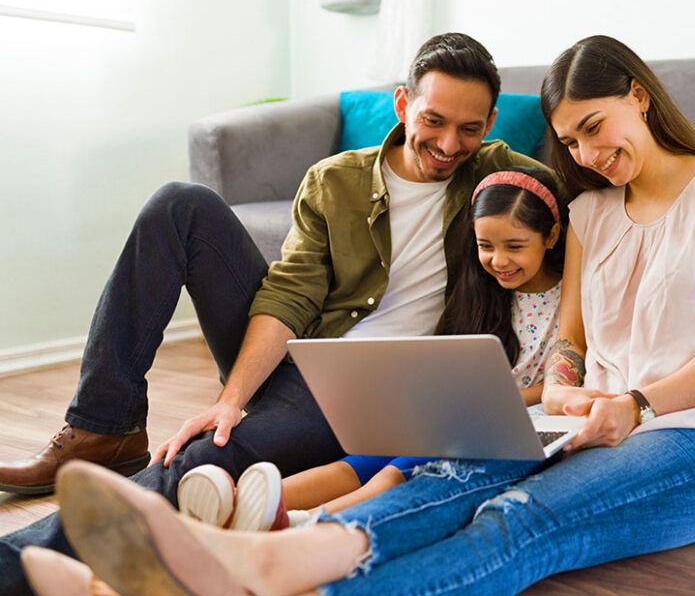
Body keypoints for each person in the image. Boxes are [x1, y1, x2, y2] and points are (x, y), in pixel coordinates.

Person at [21, 34, 695, 596]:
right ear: (402, 106)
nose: (584, 154)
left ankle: (234, 572)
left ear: (638, 97)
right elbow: (574, 342)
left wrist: (631, 402)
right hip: (524, 409)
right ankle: (179, 518)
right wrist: (561, 386)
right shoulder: (586, 211)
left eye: (593, 129)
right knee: (431, 483)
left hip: (688, 433)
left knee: (507, 515)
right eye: (568, 141)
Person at [0, 32, 545, 595]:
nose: (450, 144)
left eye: (470, 128)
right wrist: (229, 400)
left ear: (491, 123)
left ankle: (16, 560)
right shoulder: (336, 180)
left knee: (202, 459)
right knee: (180, 205)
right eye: (434, 120)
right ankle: (102, 428)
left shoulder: (502, 177)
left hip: (366, 400)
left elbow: (588, 199)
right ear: (403, 104)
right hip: (300, 351)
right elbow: (291, 294)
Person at [174, 166, 567, 531]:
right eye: (486, 246)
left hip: (524, 424)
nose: (498, 261)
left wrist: (494, 400)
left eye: (515, 246)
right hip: (459, 415)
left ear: (550, 237)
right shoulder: (481, 293)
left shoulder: (569, 301)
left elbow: (561, 385)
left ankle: (302, 523)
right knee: (361, 461)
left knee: (397, 471)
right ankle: (236, 504)